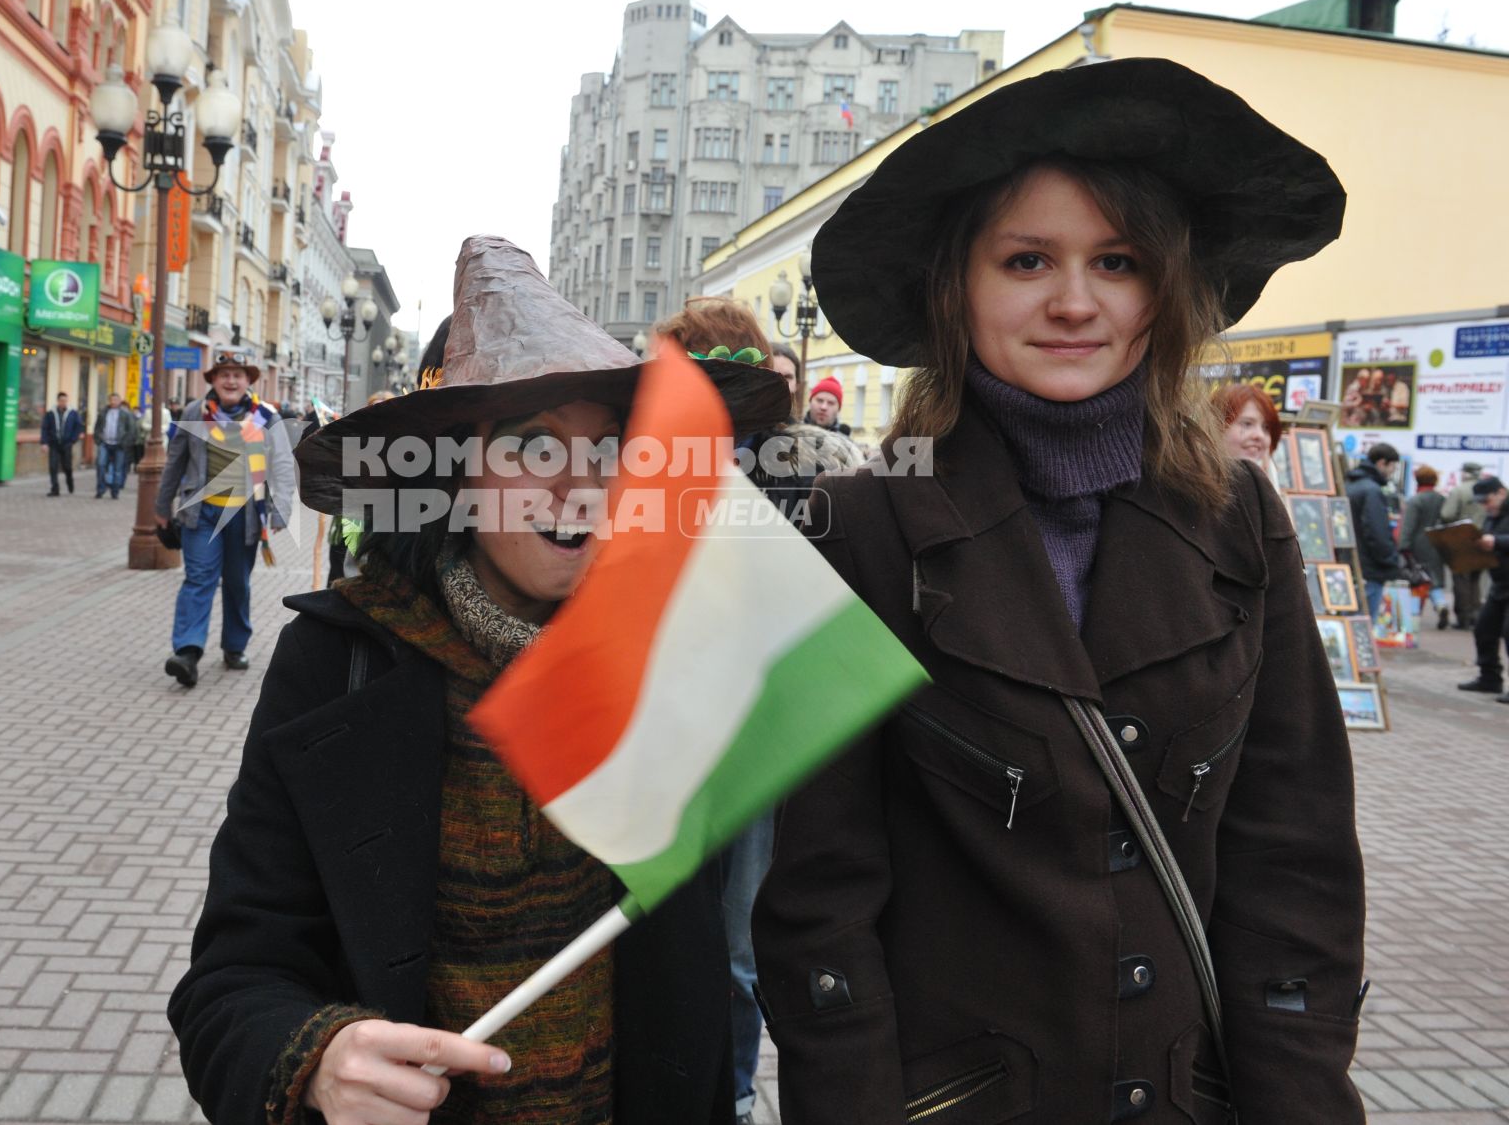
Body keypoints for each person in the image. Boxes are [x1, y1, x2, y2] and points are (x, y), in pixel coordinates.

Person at [754, 58, 1366, 1122]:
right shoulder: (859, 527)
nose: (1075, 301)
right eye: (1028, 258)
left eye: (1117, 261)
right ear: (960, 288)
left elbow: (1293, 854)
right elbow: (821, 903)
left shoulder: (1241, 519)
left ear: (1163, 290)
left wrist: (1299, 1096)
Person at [167, 236, 786, 1125]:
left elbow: (719, 973)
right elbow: (231, 982)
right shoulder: (336, 669)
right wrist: (318, 1060)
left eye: (611, 450)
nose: (580, 484)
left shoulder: (671, 668)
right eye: (534, 449)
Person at [648, 295, 855, 1125]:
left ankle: (731, 1093)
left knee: (736, 944)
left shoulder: (817, 460)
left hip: (760, 727)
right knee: (668, 933)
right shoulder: (647, 460)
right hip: (670, 724)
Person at [155, 348, 297, 685]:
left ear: (248, 381)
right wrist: (161, 508)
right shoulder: (194, 413)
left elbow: (281, 467)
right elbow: (175, 462)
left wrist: (281, 511)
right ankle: (187, 652)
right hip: (200, 514)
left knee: (236, 582)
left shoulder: (266, 417)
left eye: (238, 374)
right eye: (224, 375)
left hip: (244, 515)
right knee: (198, 578)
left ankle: (235, 645)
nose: (231, 380)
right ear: (214, 381)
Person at [1456, 475, 1509, 697]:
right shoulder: (1493, 516)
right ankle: (1490, 678)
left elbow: (1498, 540)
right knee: (1484, 629)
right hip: (1500, 584)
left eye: (1487, 501)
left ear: (1501, 493)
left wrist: (1496, 542)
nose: (1485, 506)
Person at [1347, 441, 1406, 614]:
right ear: (1382, 463)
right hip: (1370, 568)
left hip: (1353, 564)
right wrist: (1391, 560)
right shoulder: (1372, 491)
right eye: (1392, 467)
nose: (1392, 471)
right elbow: (1377, 532)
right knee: (1365, 623)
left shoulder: (1351, 484)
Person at [1398, 464, 1449, 629]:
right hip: (1436, 543)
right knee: (1434, 580)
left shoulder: (1415, 500)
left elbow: (1408, 526)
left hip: (1417, 546)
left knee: (1417, 580)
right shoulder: (1442, 499)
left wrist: (1403, 546)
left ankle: (1413, 617)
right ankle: (1441, 604)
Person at [1442, 461, 1489, 628]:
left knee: (1461, 579)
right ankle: (1477, 615)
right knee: (1476, 579)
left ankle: (1464, 618)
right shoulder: (1488, 490)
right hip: (1484, 539)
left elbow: (1447, 514)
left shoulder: (1459, 490)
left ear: (1465, 473)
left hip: (1462, 539)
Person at [1214, 382, 1282, 486]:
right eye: (1247, 424)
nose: (1260, 435)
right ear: (1216, 426)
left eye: (1266, 427)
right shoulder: (1193, 489)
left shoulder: (1273, 484)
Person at [92, 391, 140, 500]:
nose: (113, 402)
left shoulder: (125, 414)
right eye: (111, 400)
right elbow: (97, 427)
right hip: (105, 443)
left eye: (116, 400)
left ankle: (115, 491)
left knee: (118, 469)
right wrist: (98, 440)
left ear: (119, 401)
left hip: (119, 445)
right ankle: (100, 489)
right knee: (101, 465)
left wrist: (125, 443)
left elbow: (132, 430)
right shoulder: (103, 412)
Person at [40, 392, 83, 496]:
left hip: (67, 444)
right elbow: (45, 428)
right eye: (61, 400)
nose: (63, 402)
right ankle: (55, 489)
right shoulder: (50, 413)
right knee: (53, 466)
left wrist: (73, 440)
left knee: (67, 466)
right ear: (58, 401)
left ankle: (70, 481)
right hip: (54, 444)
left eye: (65, 400)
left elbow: (78, 427)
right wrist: (44, 443)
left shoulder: (73, 413)